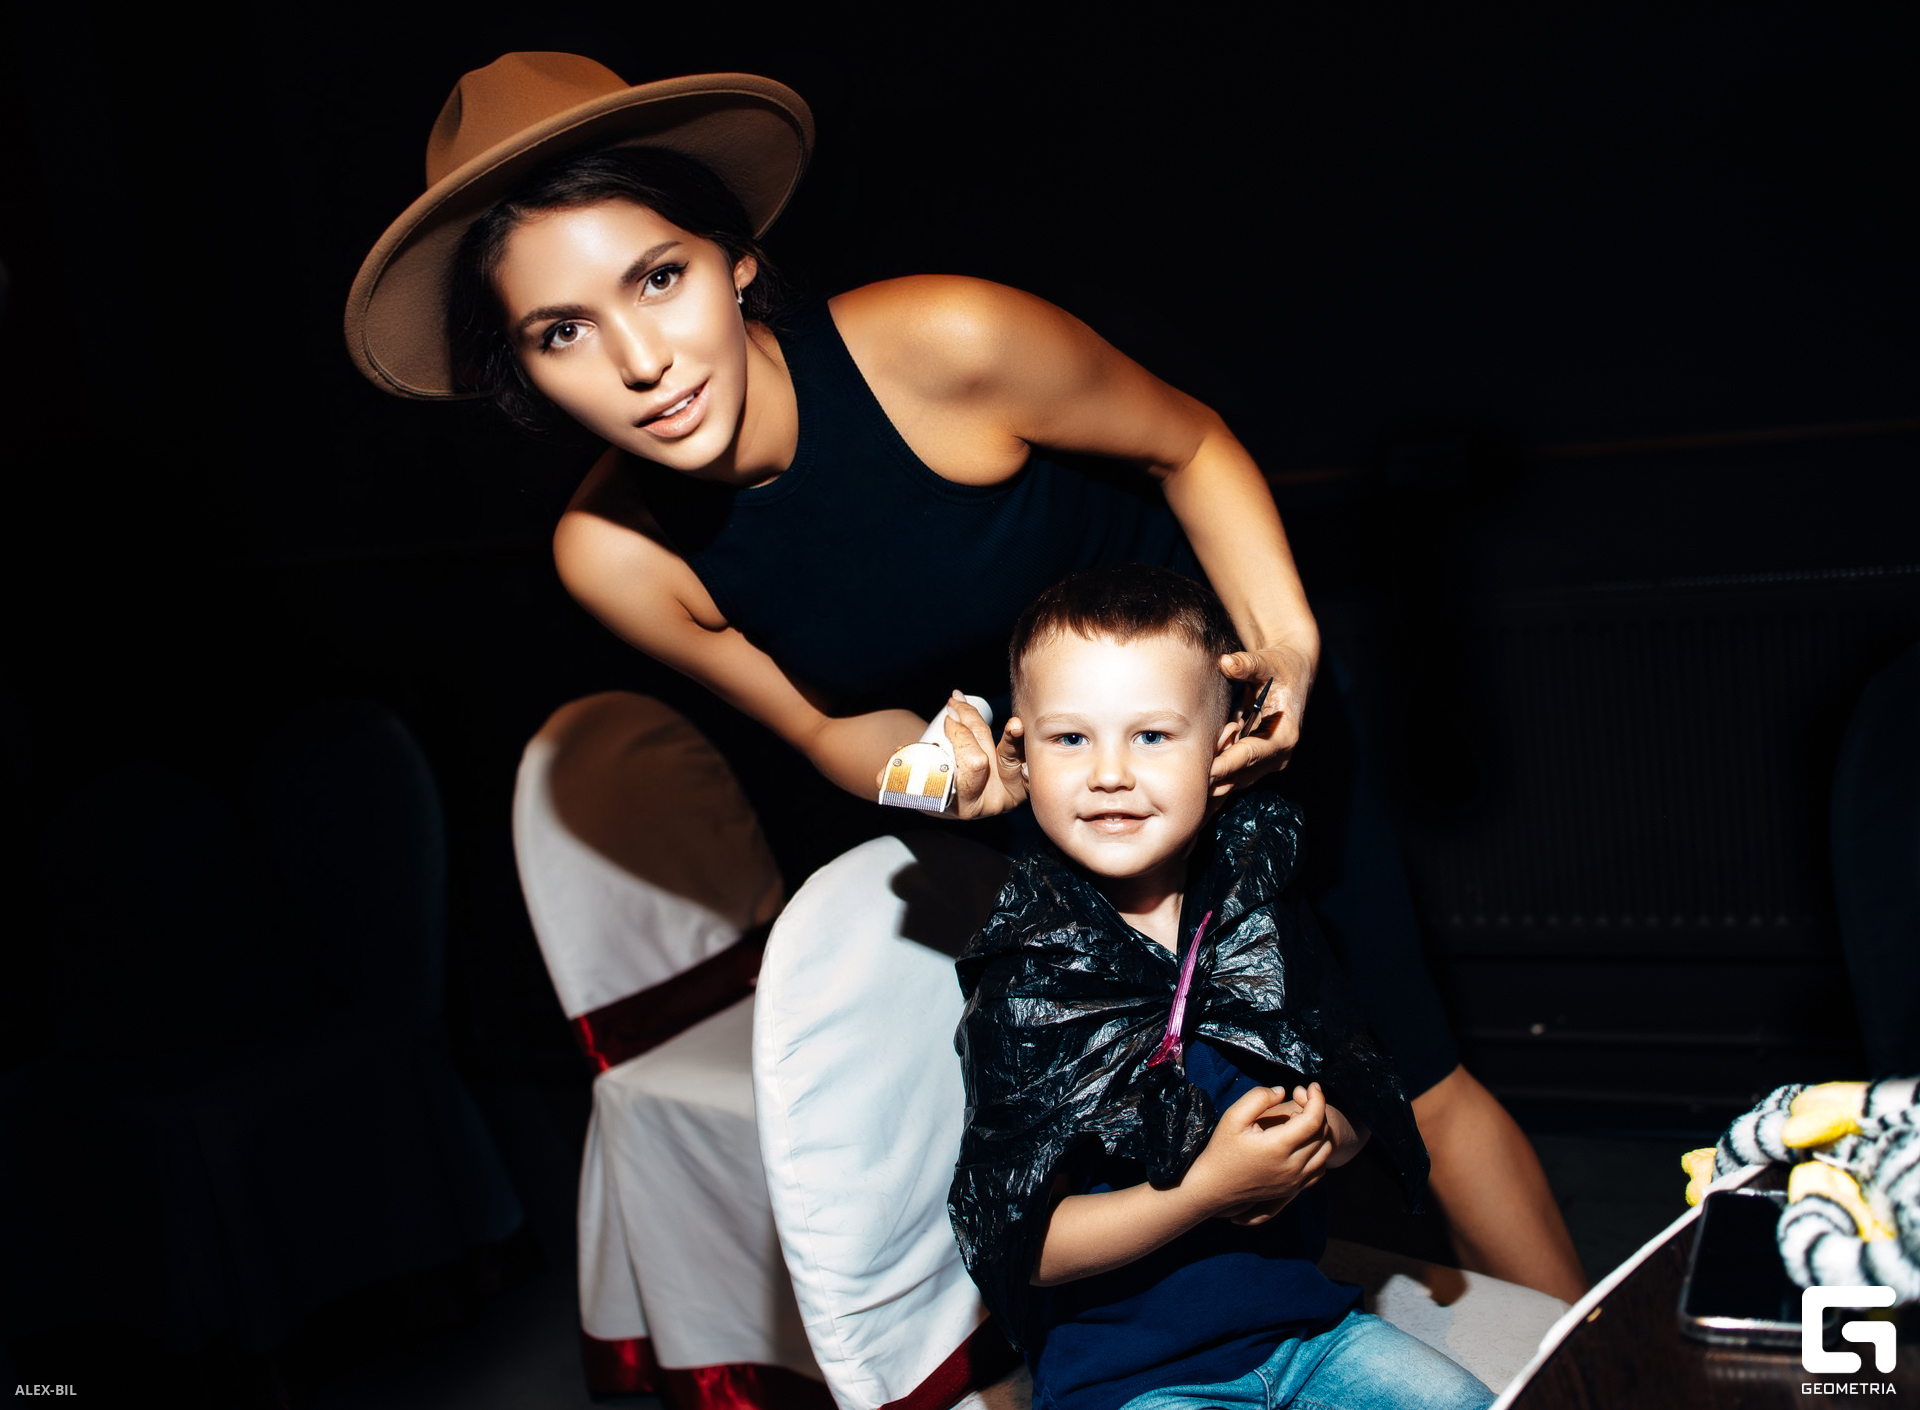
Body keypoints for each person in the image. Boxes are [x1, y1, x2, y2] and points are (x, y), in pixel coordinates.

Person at [344, 51, 1583, 1302]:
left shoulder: (947, 343)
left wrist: (1289, 651)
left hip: (1231, 737)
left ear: (736, 259)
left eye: (659, 278)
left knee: (1412, 1079)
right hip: (1045, 823)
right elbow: (824, 728)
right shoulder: (613, 555)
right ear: (524, 372)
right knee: (1145, 1154)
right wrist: (932, 777)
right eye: (561, 332)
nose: (640, 361)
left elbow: (1191, 445)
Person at [949, 565, 1494, 1410]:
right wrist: (1204, 1192)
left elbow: (1358, 1090)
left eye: (1151, 736)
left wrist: (1317, 1137)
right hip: (1131, 1382)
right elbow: (1023, 1244)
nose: (1109, 773)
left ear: (1226, 743)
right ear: (1021, 752)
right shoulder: (1029, 987)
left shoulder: (1254, 916)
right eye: (1071, 739)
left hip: (1306, 1336)